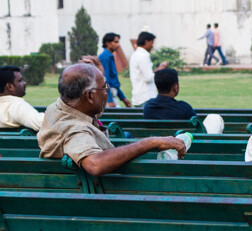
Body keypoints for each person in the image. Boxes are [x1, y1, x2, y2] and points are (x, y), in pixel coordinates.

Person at [37, 63, 187, 177]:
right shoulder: (74, 130)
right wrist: (152, 142)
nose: (107, 92)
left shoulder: (59, 107)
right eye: (105, 88)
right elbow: (95, 165)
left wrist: (96, 70)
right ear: (89, 96)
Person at [142, 68, 224, 133]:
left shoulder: (148, 107)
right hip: (183, 149)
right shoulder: (183, 108)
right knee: (214, 118)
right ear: (175, 87)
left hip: (156, 146)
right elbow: (199, 130)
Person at [0, 65, 44, 131]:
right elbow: (41, 123)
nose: (24, 82)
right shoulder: (16, 106)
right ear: (9, 86)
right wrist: (48, 115)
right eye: (20, 80)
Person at [130, 32, 168, 107]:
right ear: (146, 41)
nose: (152, 46)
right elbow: (148, 78)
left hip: (138, 96)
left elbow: (145, 74)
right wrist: (160, 70)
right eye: (152, 43)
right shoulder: (144, 55)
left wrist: (158, 69)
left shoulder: (135, 54)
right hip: (146, 97)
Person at [98, 32, 132, 108]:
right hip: (109, 95)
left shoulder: (110, 56)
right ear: (107, 43)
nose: (118, 45)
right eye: (115, 42)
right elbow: (105, 80)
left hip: (113, 93)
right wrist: (109, 100)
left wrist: (123, 99)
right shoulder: (105, 57)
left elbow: (114, 82)